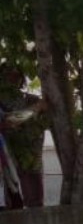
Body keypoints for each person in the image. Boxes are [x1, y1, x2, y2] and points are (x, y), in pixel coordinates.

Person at [0, 66, 48, 208]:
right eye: (7, 75)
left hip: (32, 157)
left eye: (16, 75)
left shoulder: (31, 99)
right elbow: (9, 121)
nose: (12, 79)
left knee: (35, 202)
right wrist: (36, 109)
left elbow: (46, 122)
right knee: (13, 203)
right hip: (8, 157)